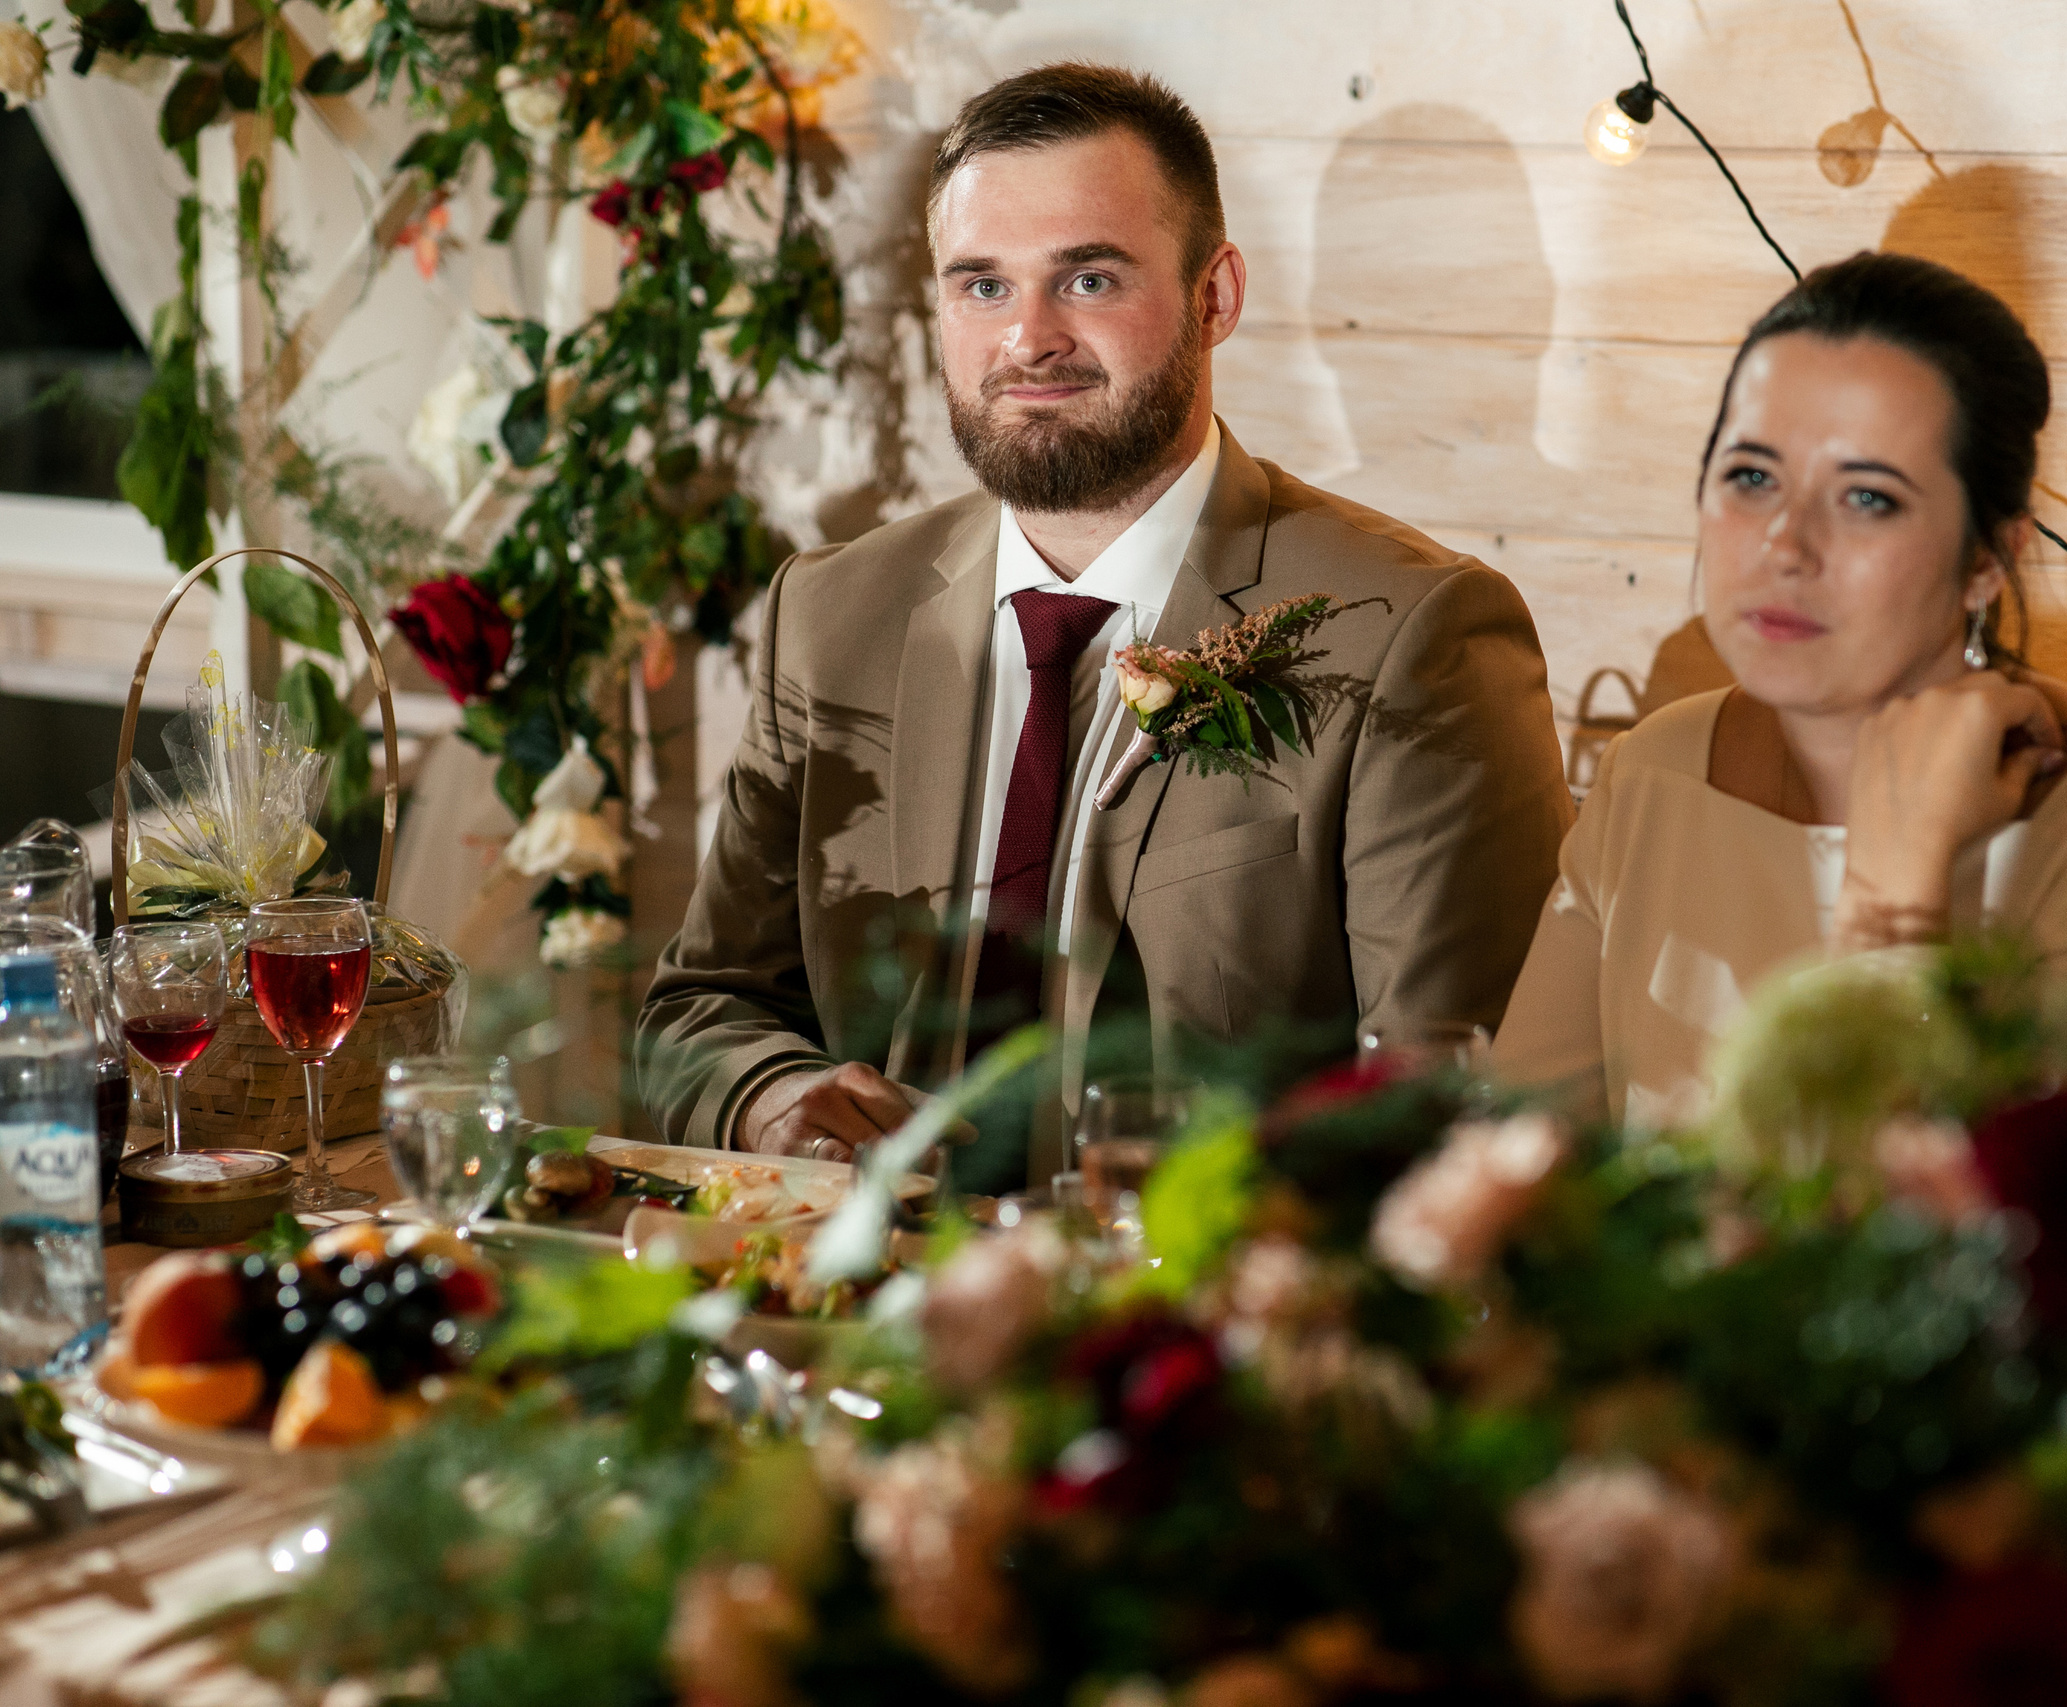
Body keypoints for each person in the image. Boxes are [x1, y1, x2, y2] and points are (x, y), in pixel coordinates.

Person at [640, 63, 1575, 1173]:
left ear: (1215, 296)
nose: (1027, 339)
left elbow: (1442, 1101)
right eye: (980, 285)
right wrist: (768, 1096)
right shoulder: (831, 612)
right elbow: (699, 1008)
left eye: (1086, 279)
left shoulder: (1414, 633)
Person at [1493, 252, 2067, 1127]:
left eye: (1866, 498)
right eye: (1751, 477)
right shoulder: (1652, 773)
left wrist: (1897, 906)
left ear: (1983, 558)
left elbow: (1991, 1241)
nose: (1785, 543)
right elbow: (1508, 1160)